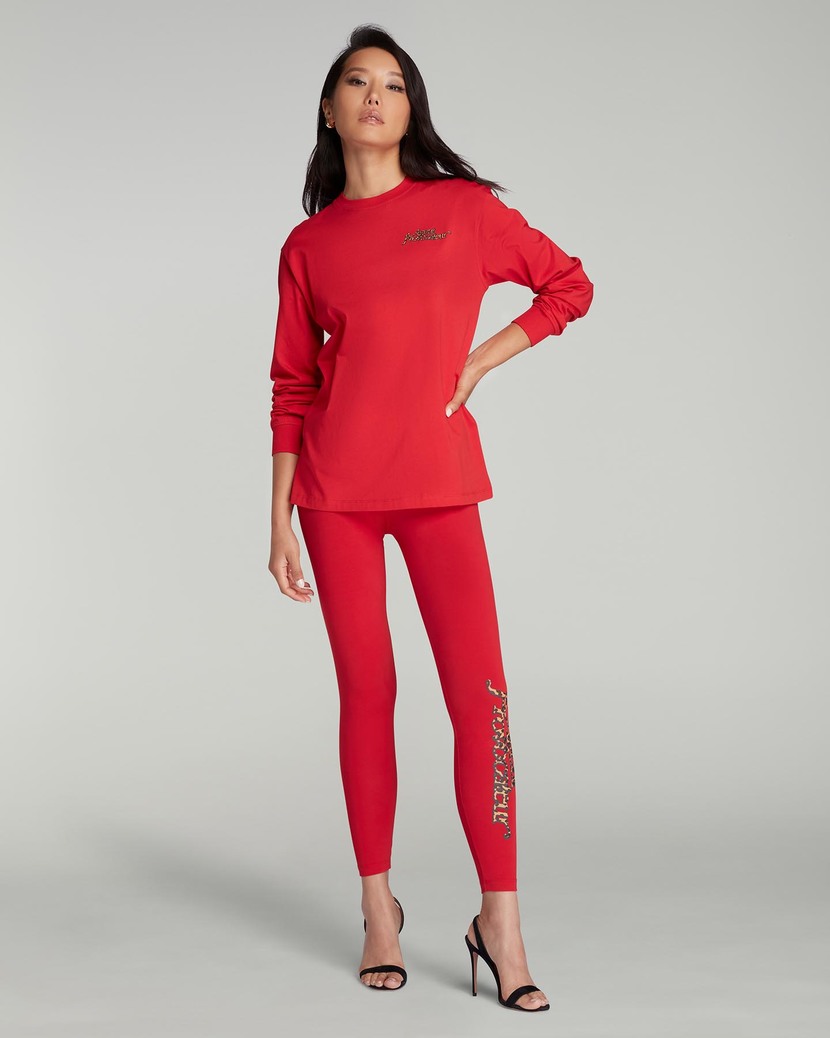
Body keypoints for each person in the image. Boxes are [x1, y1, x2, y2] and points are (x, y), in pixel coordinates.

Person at [267, 23, 593, 1012]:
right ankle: (379, 908)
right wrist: (278, 518)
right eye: (356, 82)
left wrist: (483, 358)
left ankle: (500, 921)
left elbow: (568, 284)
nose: (376, 95)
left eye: (395, 84)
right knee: (367, 693)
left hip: (441, 486)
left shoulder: (461, 210)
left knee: (479, 697)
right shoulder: (309, 245)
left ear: (411, 110)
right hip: (335, 497)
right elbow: (292, 386)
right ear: (329, 110)